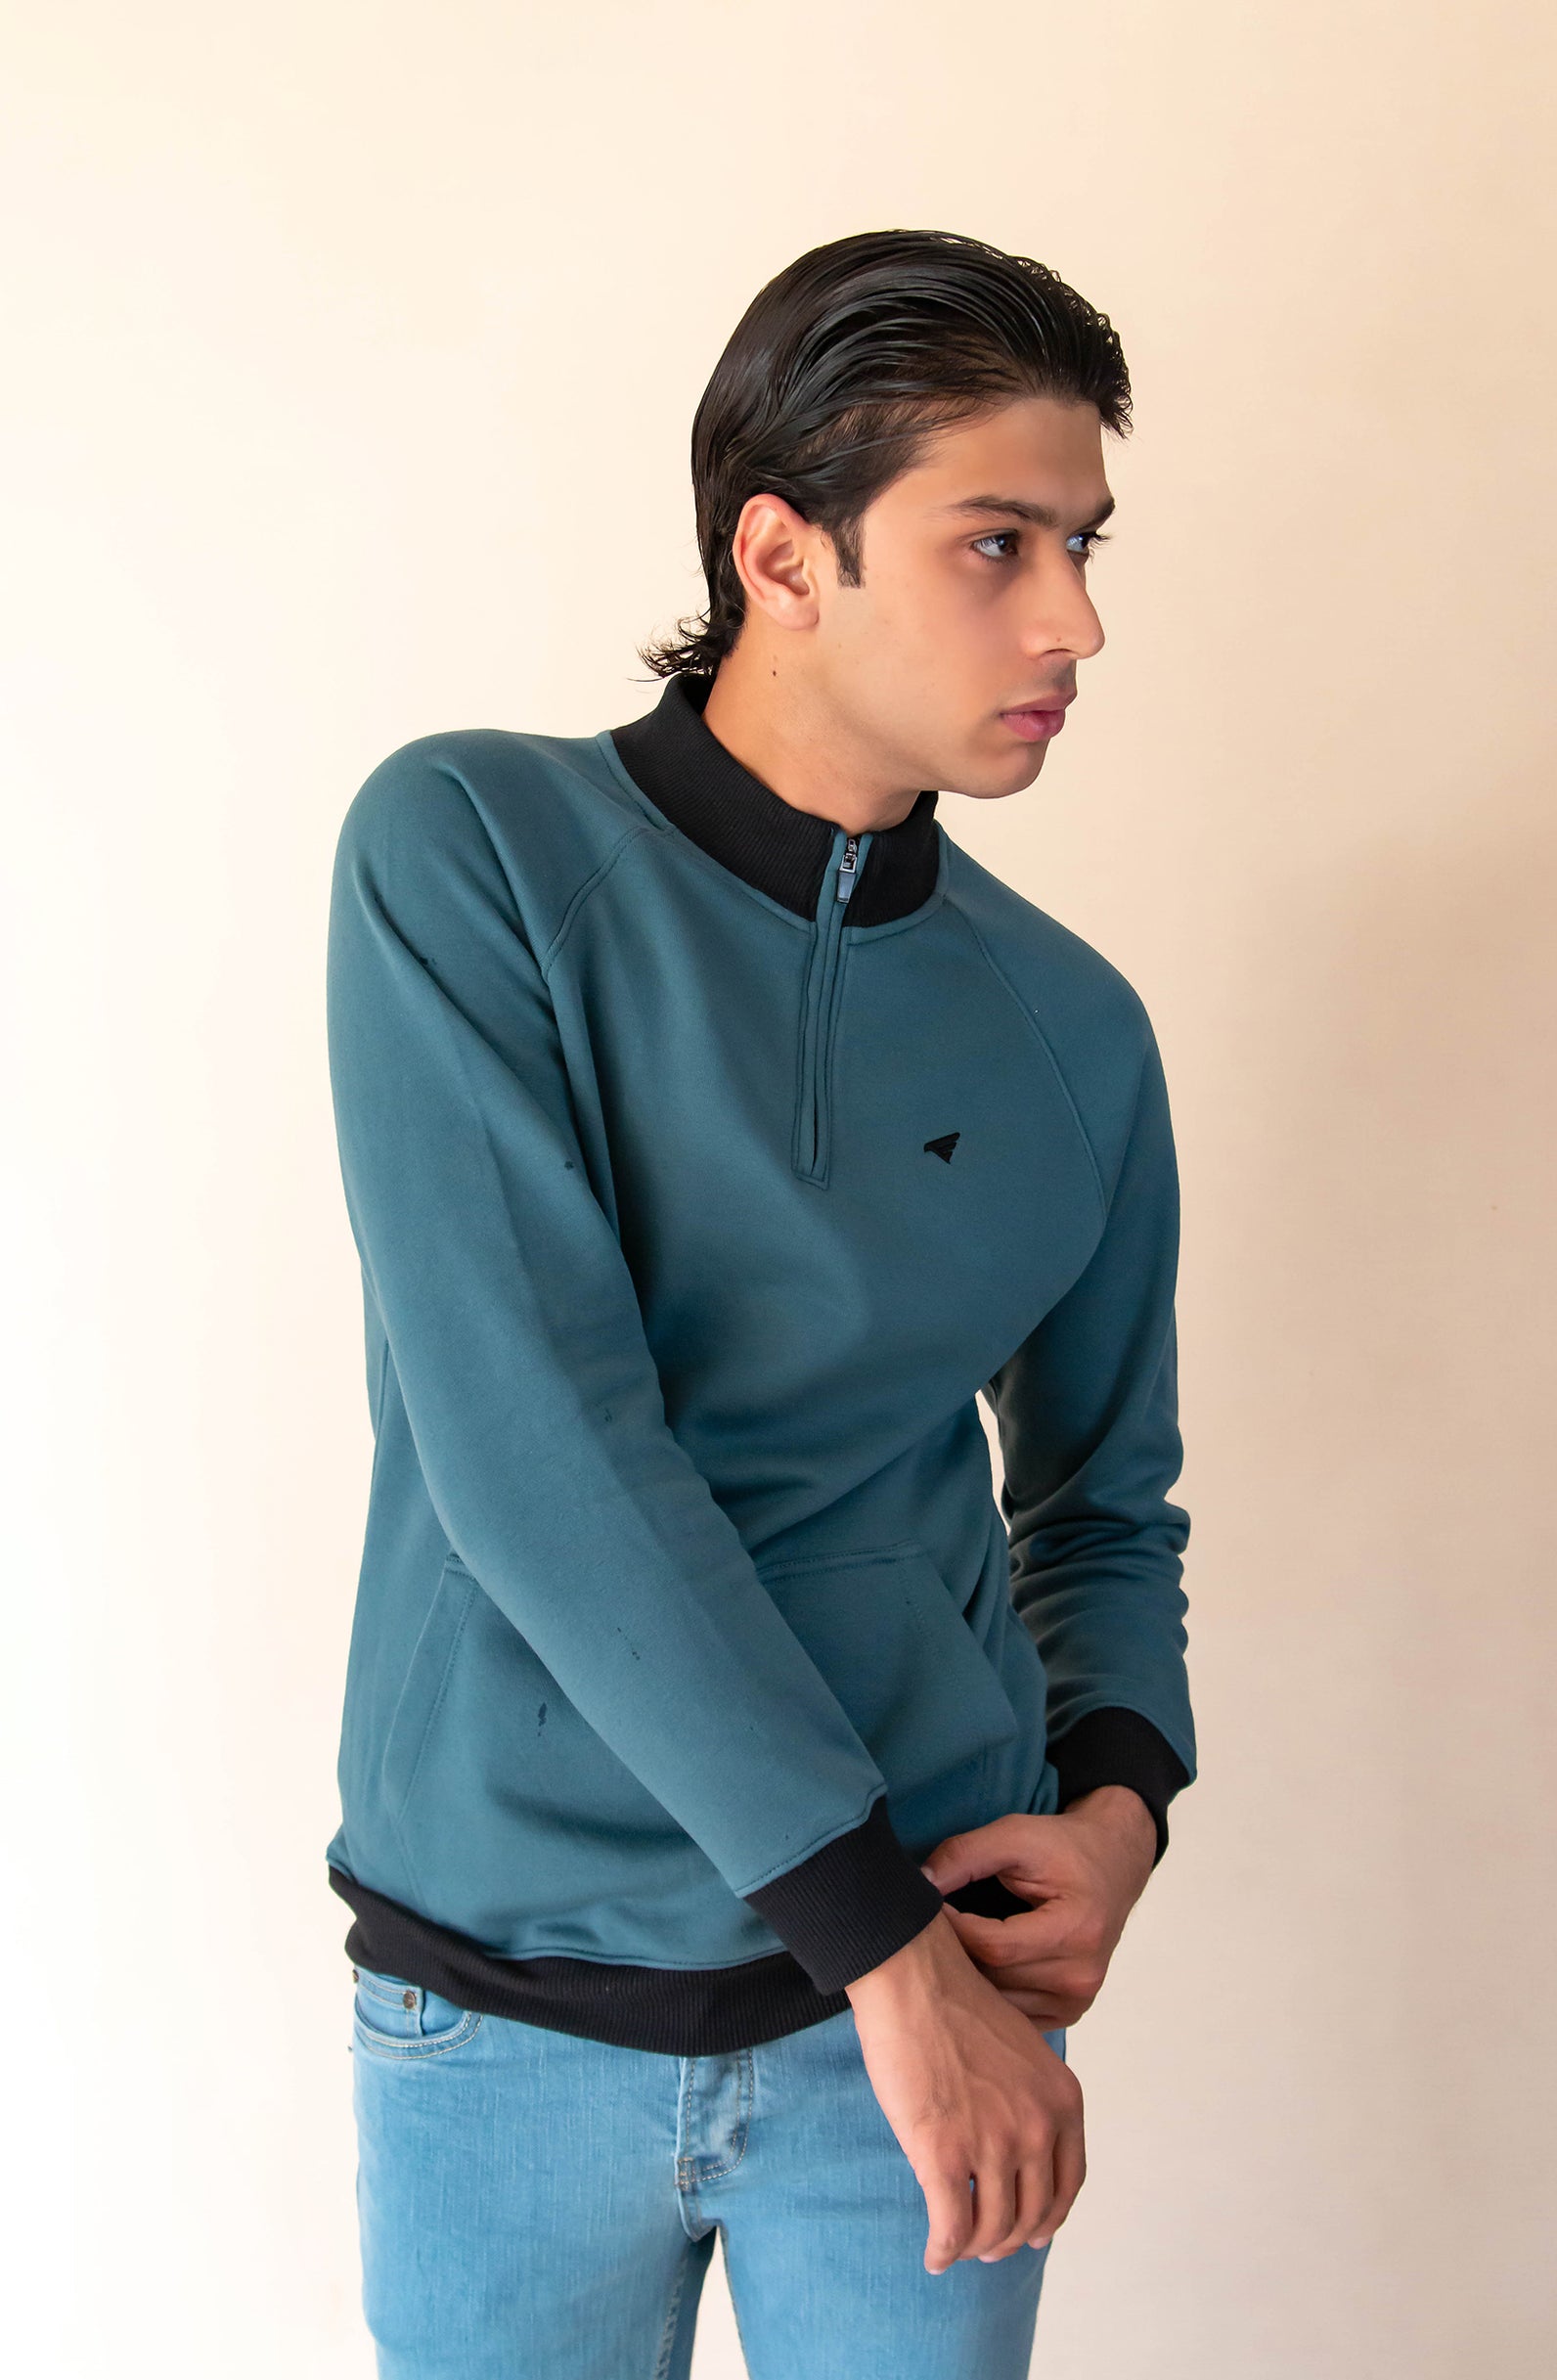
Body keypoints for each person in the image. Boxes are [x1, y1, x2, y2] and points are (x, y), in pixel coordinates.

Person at [323, 226, 1198, 2380]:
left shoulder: (1074, 1030)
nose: (1075, 620)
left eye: (1081, 544)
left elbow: (1102, 1503)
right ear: (782, 553)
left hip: (935, 2003)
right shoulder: (473, 849)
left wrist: (1118, 1811)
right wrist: (885, 1951)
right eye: (995, 542)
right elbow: (537, 1451)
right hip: (516, 1998)